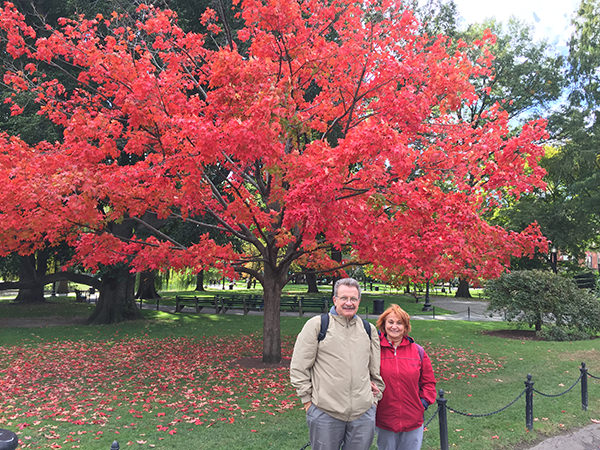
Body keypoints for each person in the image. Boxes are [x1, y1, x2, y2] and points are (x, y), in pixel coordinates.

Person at [290, 277, 385, 450]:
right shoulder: (318, 325)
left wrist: (373, 402)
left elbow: (375, 370)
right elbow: (299, 367)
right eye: (344, 298)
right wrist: (308, 403)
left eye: (353, 299)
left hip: (363, 414)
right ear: (335, 300)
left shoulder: (368, 329)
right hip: (325, 413)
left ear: (359, 301)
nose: (349, 303)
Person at [375, 304, 437, 450]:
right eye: (390, 322)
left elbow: (429, 382)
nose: (394, 327)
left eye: (399, 323)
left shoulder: (418, 351)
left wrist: (423, 403)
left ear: (405, 326)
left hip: (413, 418)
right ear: (384, 324)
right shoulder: (374, 350)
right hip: (385, 418)